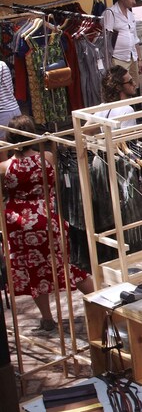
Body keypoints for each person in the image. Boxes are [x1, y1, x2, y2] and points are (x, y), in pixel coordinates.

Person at [2, 115, 94, 331]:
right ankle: (100, 300)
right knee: (64, 264)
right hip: (45, 218)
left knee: (33, 270)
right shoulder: (47, 157)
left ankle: (47, 318)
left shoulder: (6, 166)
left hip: (18, 223)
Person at [101, 0, 142, 87]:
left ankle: (133, 103)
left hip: (132, 56)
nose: (134, 2)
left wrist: (140, 60)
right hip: (118, 57)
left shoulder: (130, 14)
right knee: (121, 87)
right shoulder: (111, 13)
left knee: (133, 86)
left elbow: (135, 38)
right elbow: (107, 38)